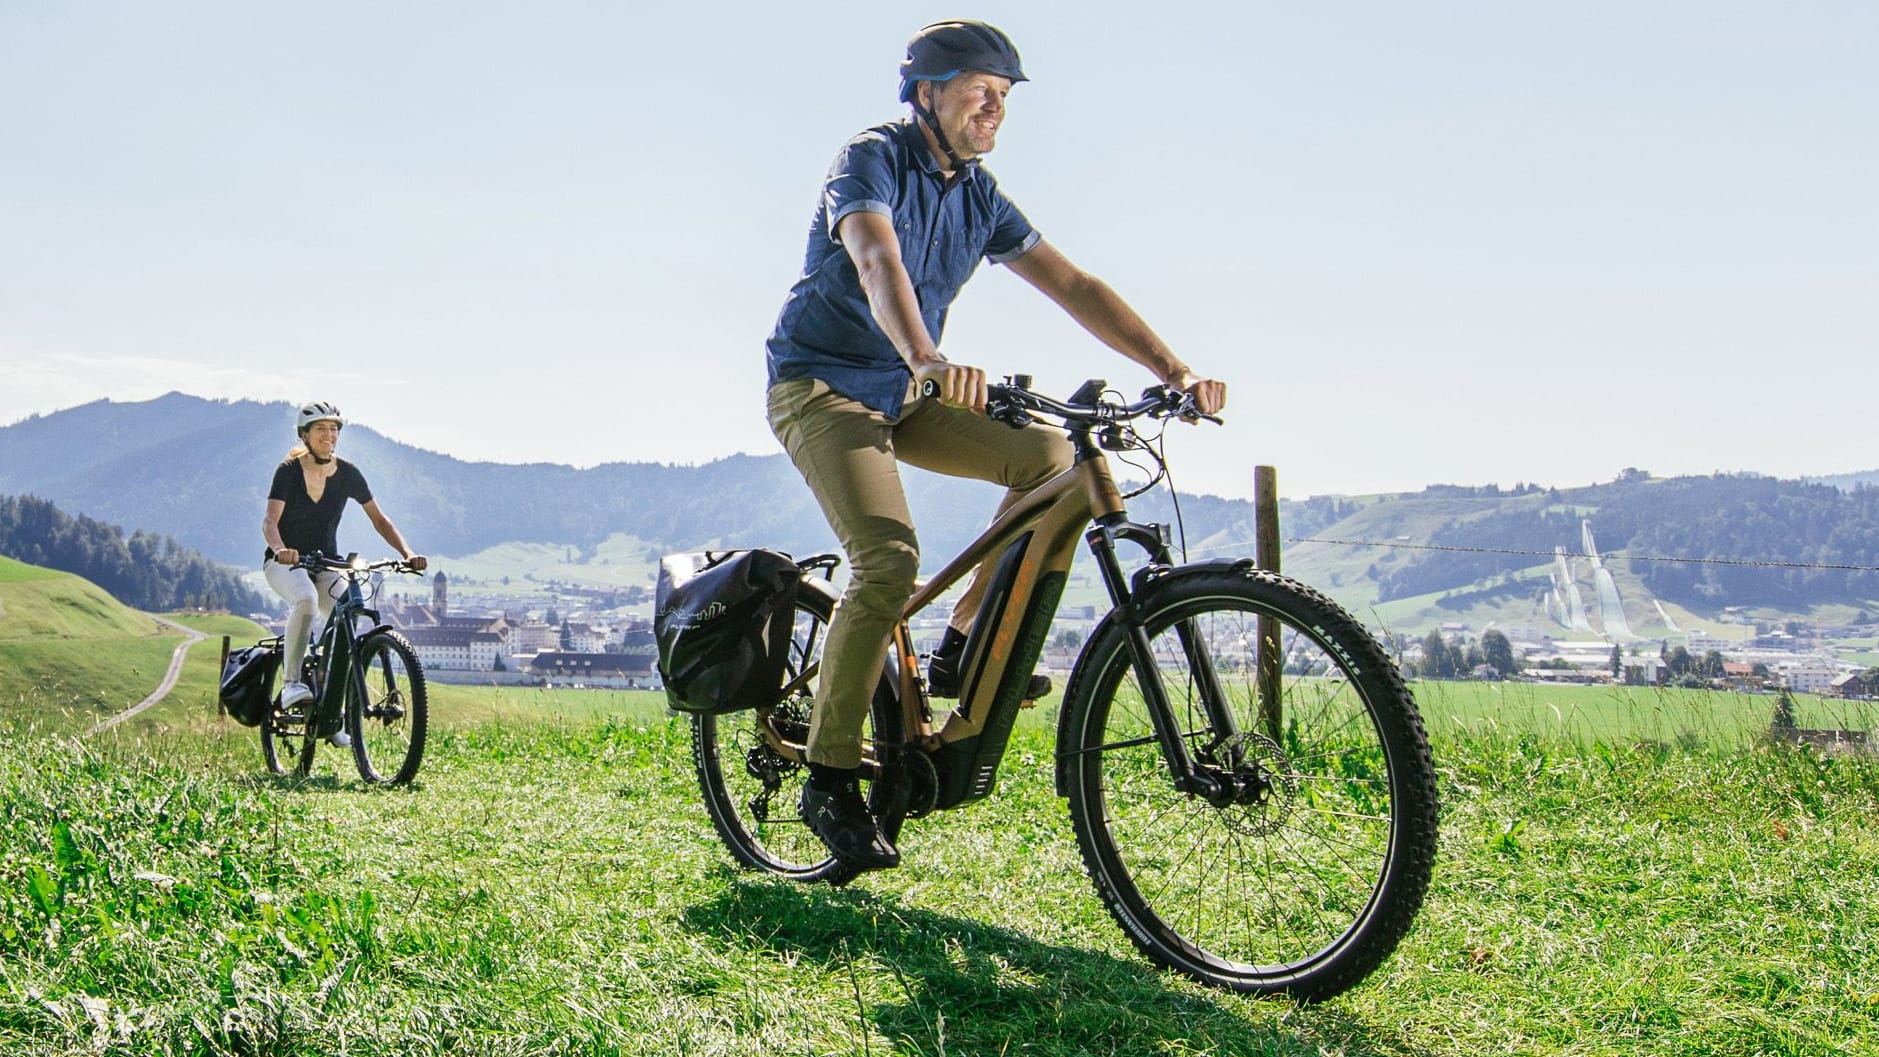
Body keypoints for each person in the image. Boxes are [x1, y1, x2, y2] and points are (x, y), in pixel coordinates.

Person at [764, 20, 1228, 869]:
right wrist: (929, 357)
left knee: (1051, 458)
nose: (993, 108)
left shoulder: (978, 192)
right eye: (978, 89)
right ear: (925, 94)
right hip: (823, 387)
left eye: (1004, 95)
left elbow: (1073, 283)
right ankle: (828, 779)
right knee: (888, 562)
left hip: (909, 393)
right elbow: (875, 259)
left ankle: (962, 641)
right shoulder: (869, 158)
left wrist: (1173, 367)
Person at [260, 401, 427, 746]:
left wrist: (407, 554)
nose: (329, 434)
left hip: (326, 563)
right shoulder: (288, 471)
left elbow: (380, 520)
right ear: (304, 435)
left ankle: (332, 708)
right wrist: (281, 550)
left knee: (348, 617)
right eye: (321, 428)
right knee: (305, 600)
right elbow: (270, 523)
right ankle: (292, 682)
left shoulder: (348, 473)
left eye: (334, 428)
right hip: (285, 563)